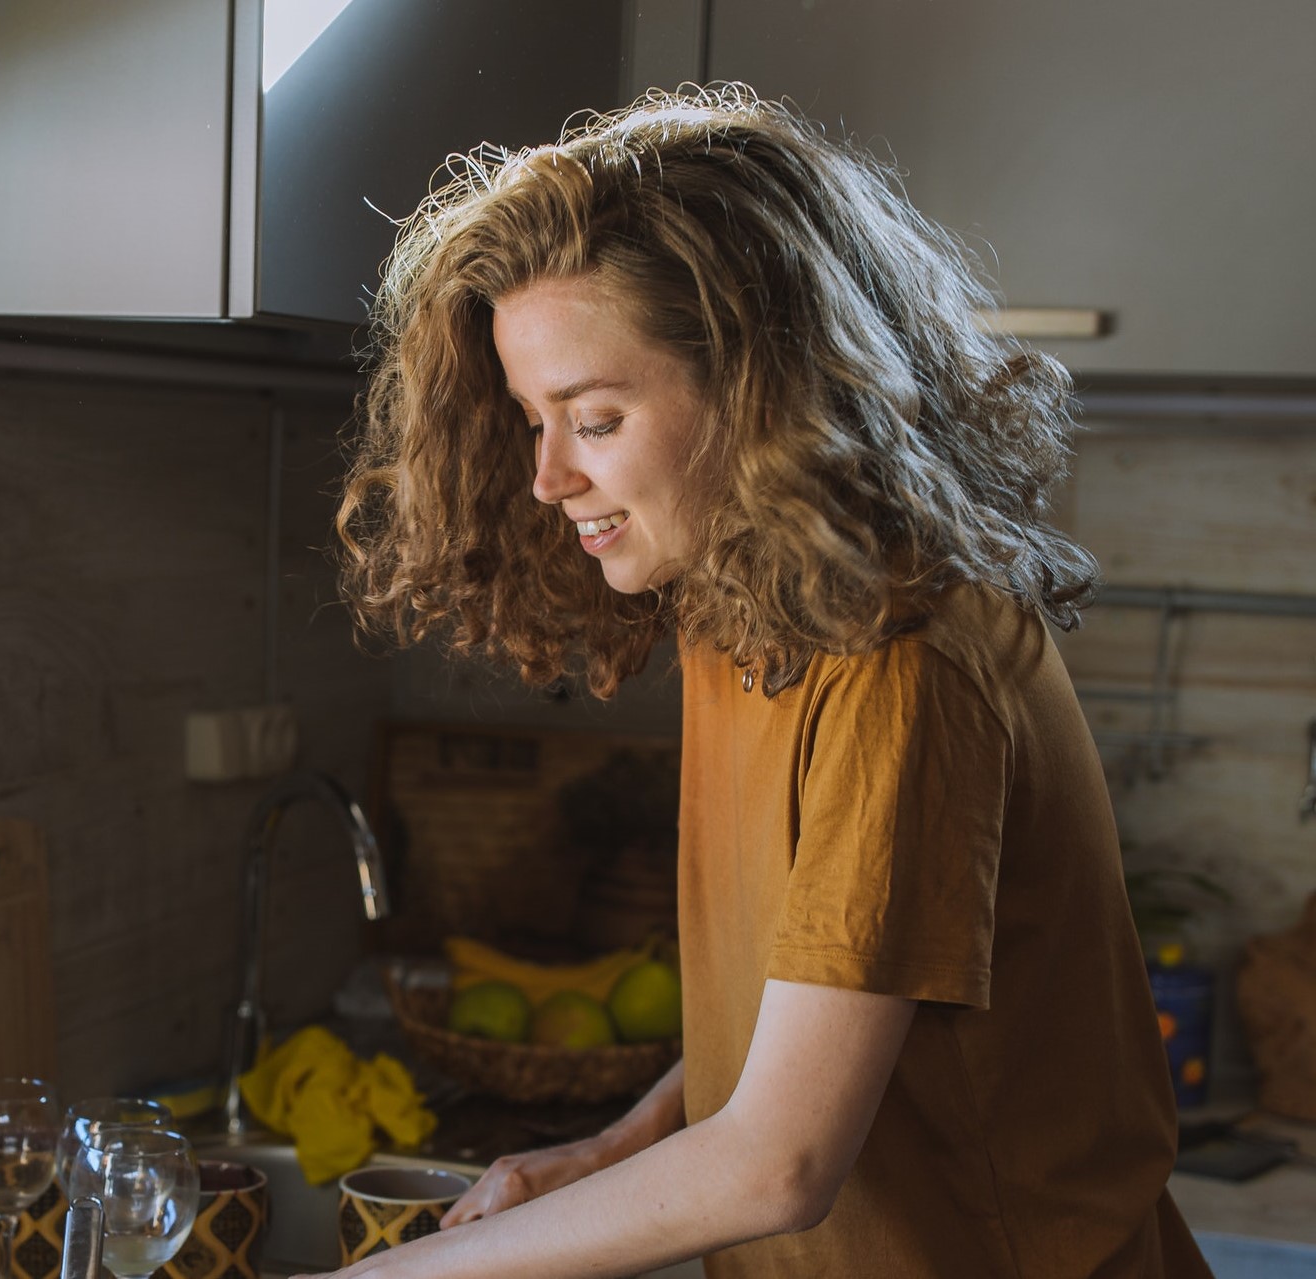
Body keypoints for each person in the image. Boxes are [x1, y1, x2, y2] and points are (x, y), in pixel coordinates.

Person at [325, 85, 1211, 1278]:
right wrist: (614, 1146)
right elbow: (827, 991)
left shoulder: (901, 654)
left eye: (591, 418)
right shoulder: (746, 607)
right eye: (532, 418)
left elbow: (779, 1161)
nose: (544, 477)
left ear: (755, 387)